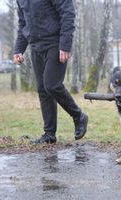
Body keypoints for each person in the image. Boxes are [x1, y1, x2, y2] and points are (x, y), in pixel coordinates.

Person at [13, 0, 88, 144]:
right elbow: (23, 24)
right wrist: (18, 49)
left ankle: (78, 116)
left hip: (55, 43)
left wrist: (65, 45)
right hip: (36, 46)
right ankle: (49, 134)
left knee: (51, 85)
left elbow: (68, 14)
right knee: (43, 90)